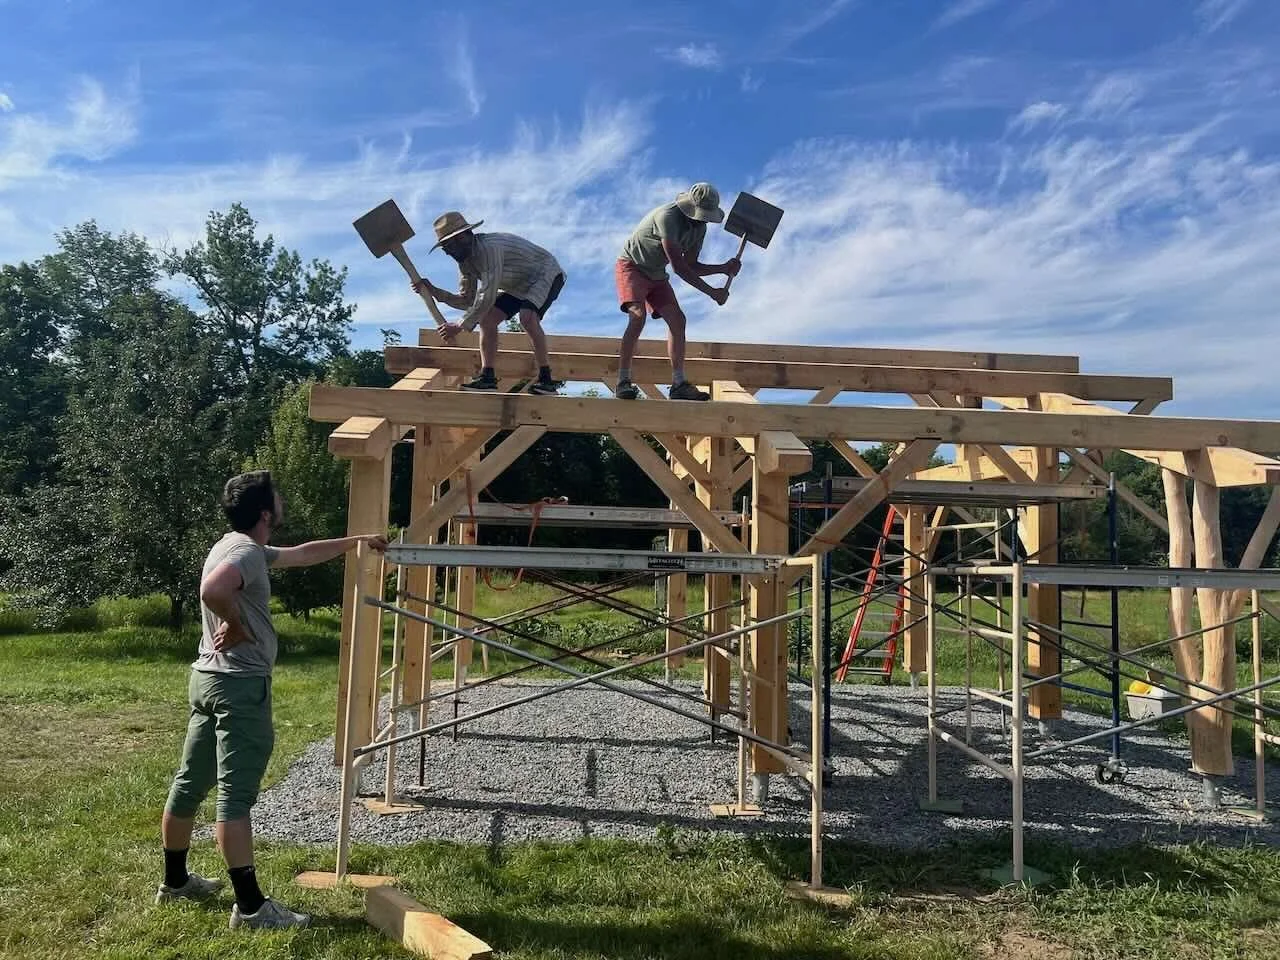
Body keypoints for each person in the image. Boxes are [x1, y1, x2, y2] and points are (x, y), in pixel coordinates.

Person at [157, 471, 387, 930]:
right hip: (240, 686)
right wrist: (238, 624)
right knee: (235, 797)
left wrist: (356, 540)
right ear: (266, 513)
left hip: (208, 680)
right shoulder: (244, 551)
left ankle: (176, 883)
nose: (282, 502)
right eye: (277, 498)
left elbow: (301, 555)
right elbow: (214, 591)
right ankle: (250, 908)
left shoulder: (236, 545)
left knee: (190, 783)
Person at [412, 212, 567, 395]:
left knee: (527, 317)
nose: (447, 252)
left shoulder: (489, 248)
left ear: (463, 237)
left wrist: (459, 325)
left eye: (448, 246)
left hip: (545, 272)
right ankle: (487, 377)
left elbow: (487, 294)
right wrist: (435, 292)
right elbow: (468, 300)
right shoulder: (466, 263)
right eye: (444, 247)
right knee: (487, 319)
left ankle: (546, 380)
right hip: (518, 285)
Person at [614, 182, 740, 401]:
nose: (701, 219)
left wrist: (723, 268)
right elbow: (679, 268)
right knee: (637, 316)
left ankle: (678, 384)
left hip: (656, 273)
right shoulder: (668, 216)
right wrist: (712, 292)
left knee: (678, 320)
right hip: (632, 266)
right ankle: (623, 380)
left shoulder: (700, 228)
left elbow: (691, 264)